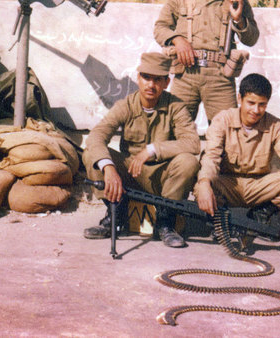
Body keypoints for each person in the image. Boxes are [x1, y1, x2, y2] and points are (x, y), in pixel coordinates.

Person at [83, 52, 200, 248]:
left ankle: (165, 223)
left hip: (161, 179)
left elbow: (192, 143)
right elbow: (96, 136)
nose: (150, 85)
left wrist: (152, 149)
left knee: (188, 162)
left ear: (166, 82)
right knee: (92, 155)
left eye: (157, 79)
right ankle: (116, 215)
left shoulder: (176, 107)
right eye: (146, 77)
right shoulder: (126, 106)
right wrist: (109, 168)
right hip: (129, 174)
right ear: (138, 78)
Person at [195, 73, 280, 245]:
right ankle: (219, 219)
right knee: (201, 184)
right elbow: (211, 156)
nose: (256, 110)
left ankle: (259, 215)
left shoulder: (275, 126)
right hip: (229, 185)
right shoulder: (223, 120)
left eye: (262, 104)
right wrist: (205, 183)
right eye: (251, 103)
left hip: (258, 186)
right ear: (240, 99)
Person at [154, 0, 259, 122]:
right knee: (174, 129)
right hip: (185, 74)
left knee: (227, 131)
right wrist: (177, 40)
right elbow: (160, 28)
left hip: (220, 78)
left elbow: (252, 39)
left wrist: (239, 20)